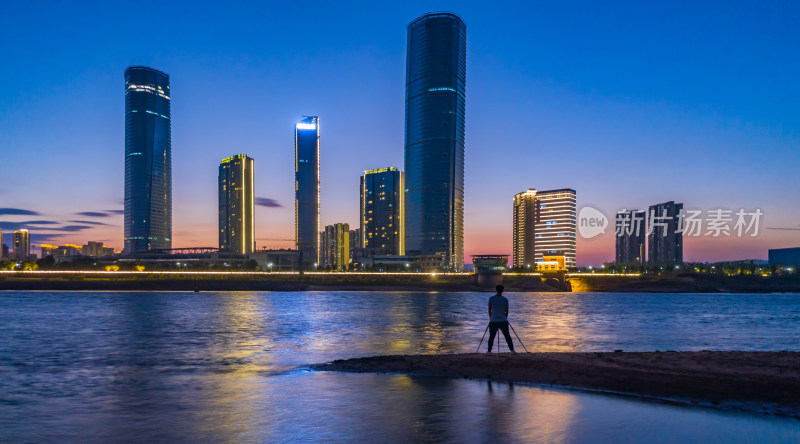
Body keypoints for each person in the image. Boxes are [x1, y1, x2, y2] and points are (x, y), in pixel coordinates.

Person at [486, 284, 515, 354]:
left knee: (491, 337)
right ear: (502, 291)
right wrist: (505, 317)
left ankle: (489, 351)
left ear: (496, 290)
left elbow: (489, 310)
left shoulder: (491, 299)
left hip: (493, 321)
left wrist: (491, 318)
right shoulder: (505, 299)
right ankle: (512, 350)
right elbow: (507, 310)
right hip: (503, 321)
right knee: (507, 336)